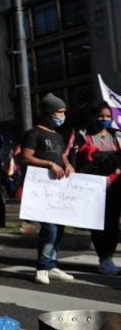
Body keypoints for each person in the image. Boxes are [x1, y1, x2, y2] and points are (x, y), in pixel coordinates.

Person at [20, 93, 75, 285]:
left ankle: (52, 264)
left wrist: (67, 164)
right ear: (48, 113)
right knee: (49, 229)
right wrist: (49, 164)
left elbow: (62, 156)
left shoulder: (58, 136)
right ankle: (42, 266)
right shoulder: (34, 133)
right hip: (41, 188)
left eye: (63, 112)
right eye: (59, 112)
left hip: (57, 189)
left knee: (59, 228)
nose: (62, 115)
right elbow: (25, 157)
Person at [73, 101, 121, 275]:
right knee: (98, 223)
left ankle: (109, 255)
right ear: (93, 117)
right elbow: (78, 163)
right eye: (101, 116)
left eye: (108, 116)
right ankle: (103, 258)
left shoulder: (117, 137)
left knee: (113, 223)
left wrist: (114, 176)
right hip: (94, 188)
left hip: (115, 186)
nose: (105, 119)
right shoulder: (84, 137)